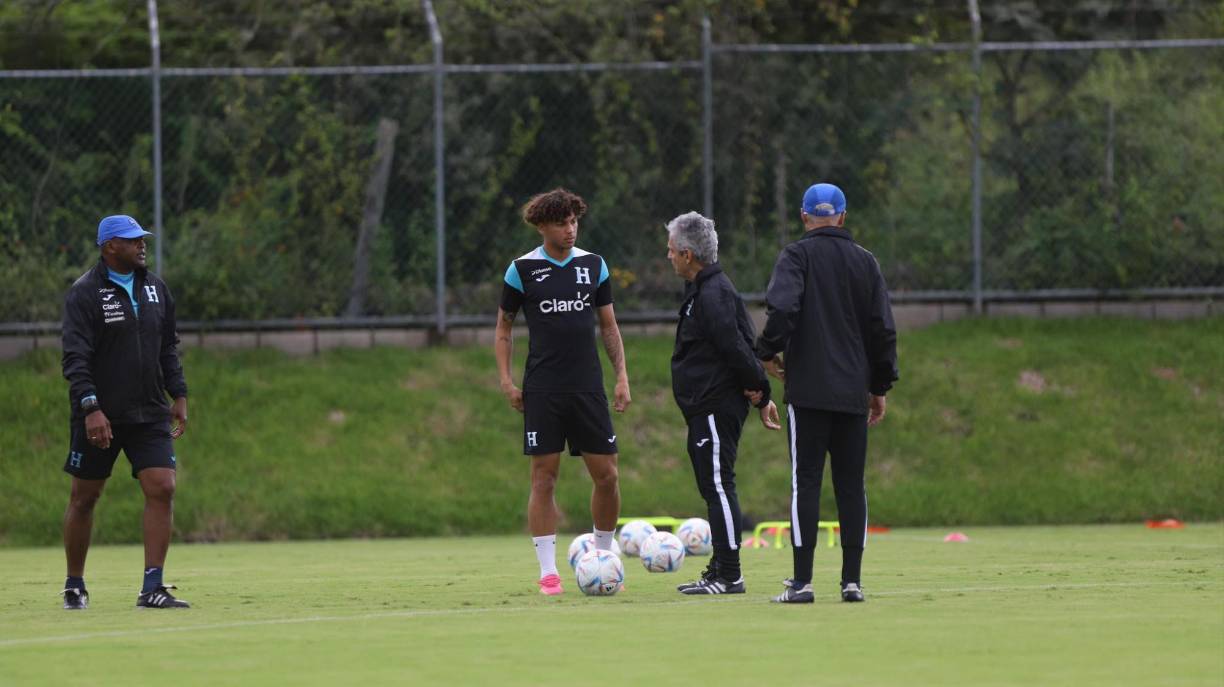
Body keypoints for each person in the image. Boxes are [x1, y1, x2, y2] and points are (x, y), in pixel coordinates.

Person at [755, 183, 898, 604]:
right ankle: (852, 582)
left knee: (807, 483)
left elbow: (782, 309)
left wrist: (766, 353)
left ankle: (802, 583)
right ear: (843, 216)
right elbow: (883, 329)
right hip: (853, 391)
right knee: (852, 485)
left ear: (803, 217)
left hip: (808, 391)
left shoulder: (796, 256)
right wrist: (879, 385)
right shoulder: (865, 262)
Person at [494, 188, 631, 596]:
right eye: (561, 223)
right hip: (544, 389)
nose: (570, 230)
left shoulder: (594, 265)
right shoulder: (522, 270)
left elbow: (609, 326)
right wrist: (506, 381)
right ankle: (548, 573)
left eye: (574, 221)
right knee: (544, 479)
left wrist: (621, 375)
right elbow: (504, 329)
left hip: (587, 386)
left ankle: (602, 559)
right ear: (541, 226)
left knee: (607, 476)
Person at [59, 215, 191, 610]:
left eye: (142, 239)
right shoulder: (84, 293)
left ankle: (153, 587)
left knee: (163, 487)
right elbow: (75, 358)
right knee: (85, 497)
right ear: (109, 246)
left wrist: (179, 393)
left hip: (149, 410)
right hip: (100, 413)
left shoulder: (155, 288)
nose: (141, 245)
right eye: (132, 240)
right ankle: (74, 584)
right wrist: (91, 408)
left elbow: (168, 345)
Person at [665, 212, 781, 596]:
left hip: (714, 404)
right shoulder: (704, 289)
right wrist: (756, 386)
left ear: (687, 255)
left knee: (718, 484)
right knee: (712, 484)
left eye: (670, 251)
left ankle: (729, 575)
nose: (667, 257)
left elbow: (736, 346)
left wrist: (760, 390)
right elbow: (743, 339)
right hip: (705, 405)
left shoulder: (713, 293)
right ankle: (719, 567)